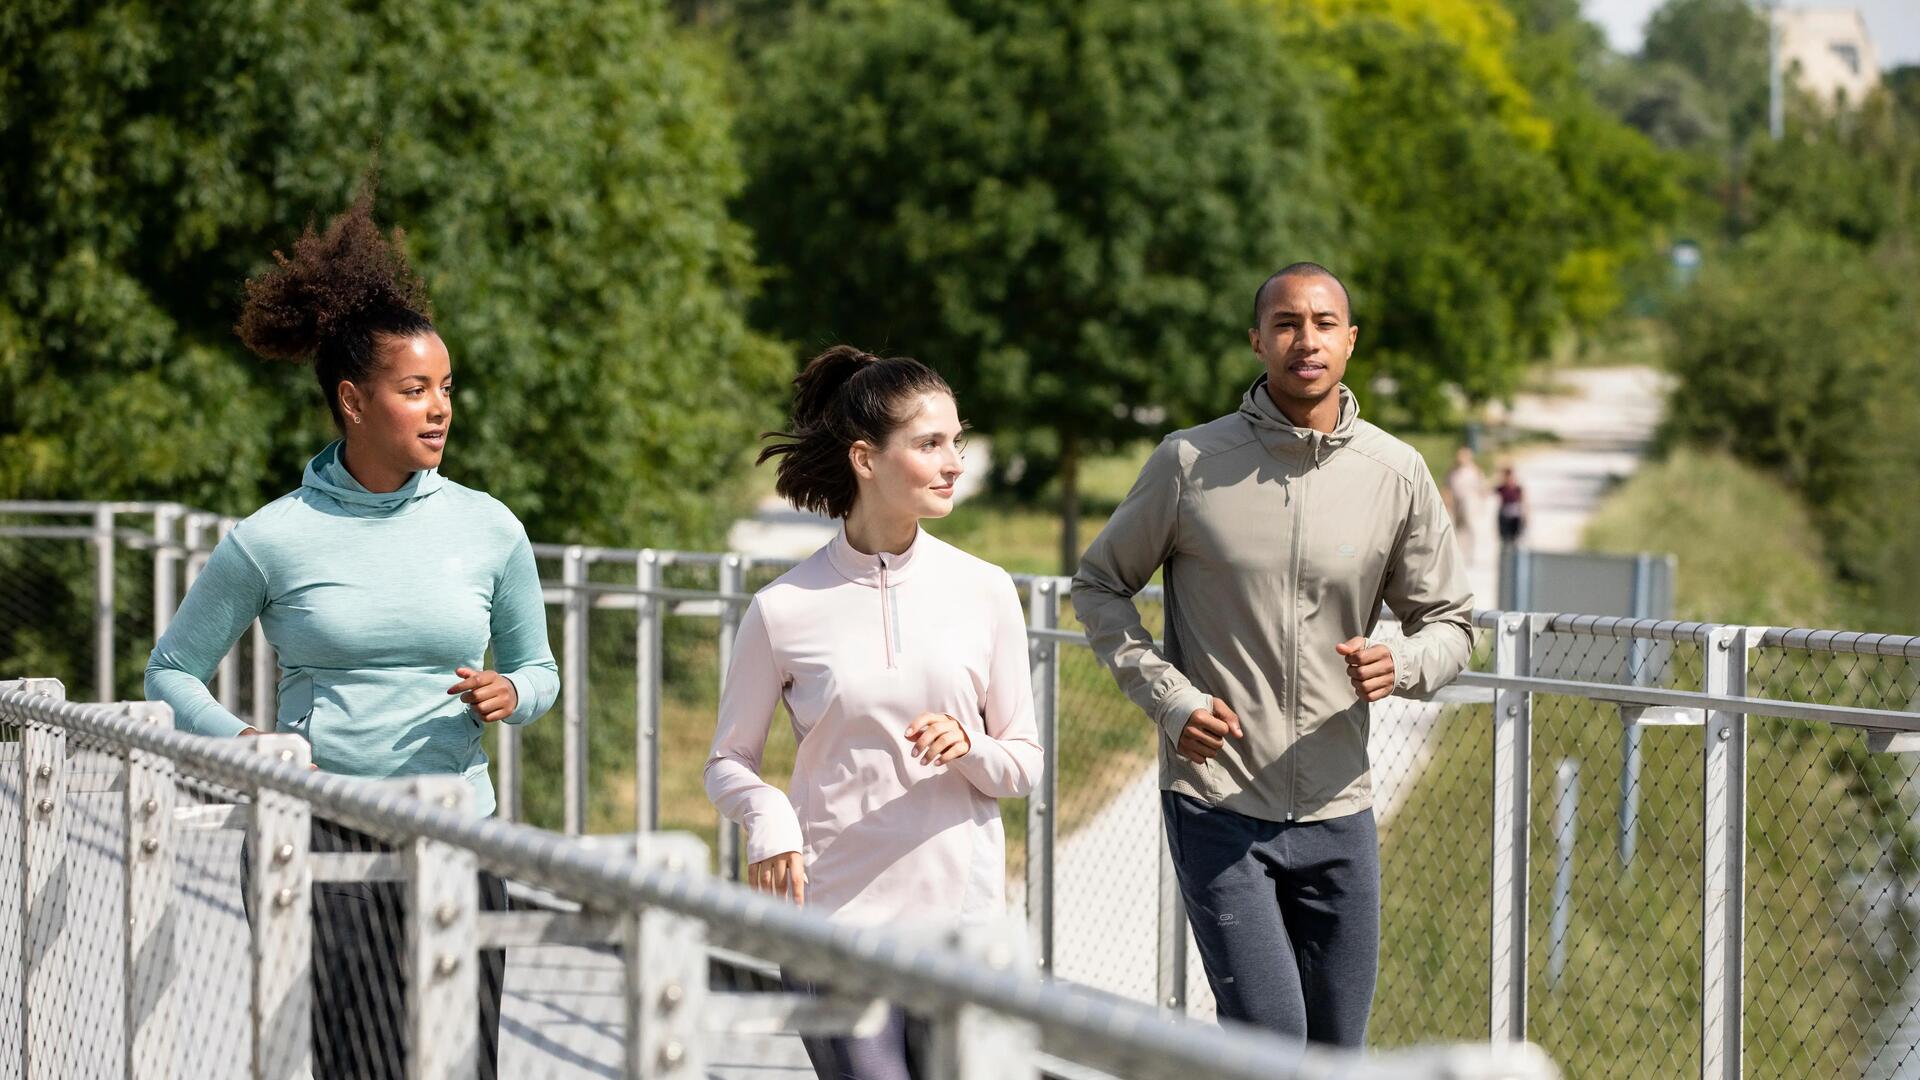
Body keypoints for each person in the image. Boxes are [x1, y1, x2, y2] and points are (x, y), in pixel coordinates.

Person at [145, 187, 557, 1080]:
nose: (440, 408)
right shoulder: (272, 535)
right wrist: (248, 744)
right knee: (347, 1067)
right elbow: (171, 672)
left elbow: (539, 668)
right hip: (315, 836)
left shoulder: (491, 527)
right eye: (416, 390)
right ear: (353, 400)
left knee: (460, 1065)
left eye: (446, 388)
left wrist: (512, 692)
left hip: (457, 833)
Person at [1072, 263, 1473, 1046]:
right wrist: (1171, 699)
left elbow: (1452, 622)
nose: (1306, 340)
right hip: (1219, 804)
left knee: (1337, 1052)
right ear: (1257, 340)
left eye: (1325, 323)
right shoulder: (1188, 464)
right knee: (1270, 1045)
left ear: (1351, 342)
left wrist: (1405, 664)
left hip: (1339, 808)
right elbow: (1098, 586)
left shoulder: (1397, 474)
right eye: (1286, 324)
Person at [705, 345, 1043, 1080]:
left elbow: (1023, 764)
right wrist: (769, 820)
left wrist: (971, 747)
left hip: (961, 931)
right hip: (835, 926)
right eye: (930, 444)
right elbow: (728, 762)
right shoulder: (782, 609)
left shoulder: (985, 591)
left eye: (956, 440)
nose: (954, 461)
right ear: (866, 458)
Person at [1443, 446, 1487, 568]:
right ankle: (1460, 553)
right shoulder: (1452, 472)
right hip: (1457, 504)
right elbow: (1447, 488)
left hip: (1470, 503)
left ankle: (1469, 553)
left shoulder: (1474, 471)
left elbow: (1482, 487)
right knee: (1458, 528)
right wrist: (1447, 502)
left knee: (1470, 527)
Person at [1495, 464, 1528, 547]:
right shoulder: (1501, 488)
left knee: (1516, 542)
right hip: (1504, 518)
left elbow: (1524, 502)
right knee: (1505, 541)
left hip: (1516, 518)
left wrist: (1526, 517)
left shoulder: (1518, 489)